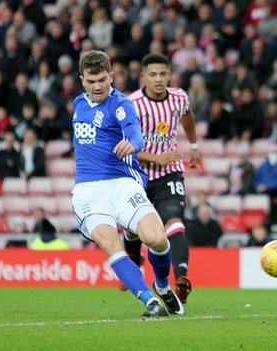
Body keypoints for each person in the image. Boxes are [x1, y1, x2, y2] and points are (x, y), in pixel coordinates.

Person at [71, 51, 182, 317]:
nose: (97, 86)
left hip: (123, 184)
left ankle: (163, 286)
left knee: (156, 239)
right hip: (88, 190)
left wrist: (132, 143)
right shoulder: (78, 103)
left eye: (102, 79)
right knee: (110, 243)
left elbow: (135, 133)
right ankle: (149, 301)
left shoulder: (120, 104)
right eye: (91, 81)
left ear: (111, 75)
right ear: (82, 80)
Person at [122, 54, 201, 304]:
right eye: (153, 75)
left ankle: (181, 279)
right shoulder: (131, 104)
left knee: (174, 222)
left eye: (163, 74)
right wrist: (156, 158)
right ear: (143, 77)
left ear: (169, 75)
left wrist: (194, 145)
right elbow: (123, 144)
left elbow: (187, 116)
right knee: (132, 229)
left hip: (169, 173)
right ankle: (135, 262)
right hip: (138, 174)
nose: (158, 79)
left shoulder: (179, 98)